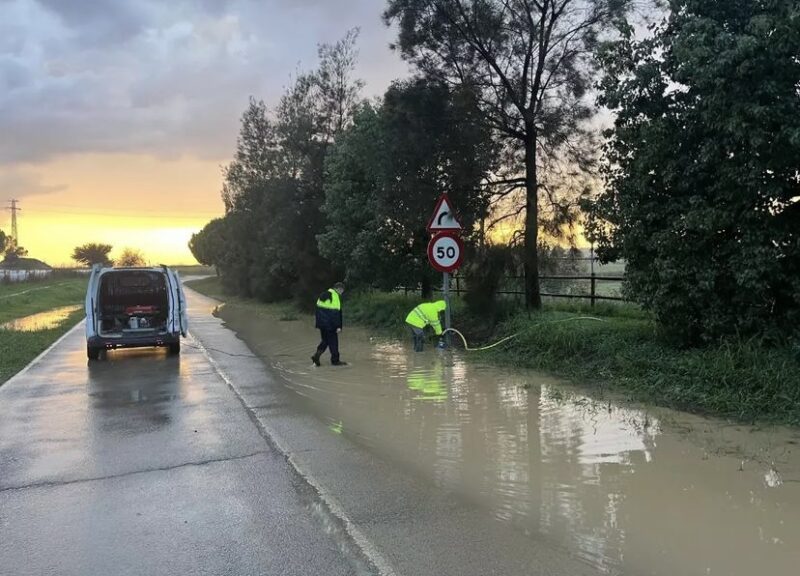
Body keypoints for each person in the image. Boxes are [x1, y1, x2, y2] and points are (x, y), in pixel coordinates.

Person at [311, 282, 346, 366]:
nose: (342, 293)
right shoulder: (335, 296)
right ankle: (335, 361)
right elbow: (335, 313)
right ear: (339, 289)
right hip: (330, 325)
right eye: (342, 291)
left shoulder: (323, 294)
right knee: (333, 342)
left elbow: (318, 311)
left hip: (321, 324)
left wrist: (319, 323)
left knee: (326, 340)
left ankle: (317, 355)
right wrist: (338, 326)